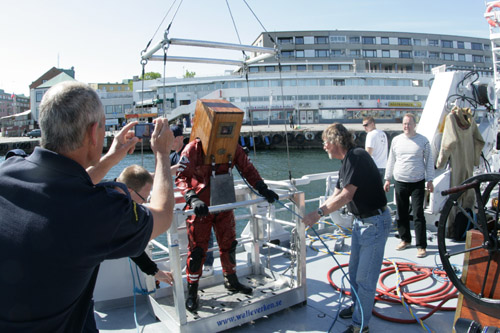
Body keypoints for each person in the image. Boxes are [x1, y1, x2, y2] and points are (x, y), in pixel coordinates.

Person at [0, 81, 175, 332]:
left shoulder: (9, 168)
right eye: (103, 127)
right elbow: (163, 215)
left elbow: (61, 185)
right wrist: (162, 154)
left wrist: (111, 158)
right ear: (93, 133)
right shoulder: (98, 211)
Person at [176, 101, 279, 312]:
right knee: (197, 251)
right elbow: (181, 176)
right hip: (202, 207)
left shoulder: (233, 147)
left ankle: (231, 280)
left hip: (223, 204)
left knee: (229, 244)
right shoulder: (193, 148)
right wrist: (192, 198)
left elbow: (248, 168)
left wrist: (263, 188)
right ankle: (193, 291)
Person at [302, 123, 391, 333]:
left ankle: (361, 326)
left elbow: (346, 195)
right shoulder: (346, 162)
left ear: (335, 142)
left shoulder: (356, 157)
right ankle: (358, 307)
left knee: (365, 277)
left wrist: (317, 215)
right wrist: (314, 214)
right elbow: (336, 193)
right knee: (353, 272)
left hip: (374, 223)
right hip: (362, 223)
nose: (324, 146)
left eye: (325, 142)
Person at [384, 113, 434, 258]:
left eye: (409, 124)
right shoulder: (396, 140)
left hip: (417, 182)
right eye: (404, 124)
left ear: (414, 125)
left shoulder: (423, 141)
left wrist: (430, 180)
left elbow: (429, 161)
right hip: (400, 181)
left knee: (418, 214)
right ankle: (405, 239)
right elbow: (391, 160)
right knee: (401, 212)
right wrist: (387, 179)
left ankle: (421, 245)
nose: (406, 126)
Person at [117, 164, 174, 286]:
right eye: (143, 197)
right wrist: (155, 271)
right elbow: (131, 244)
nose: (143, 202)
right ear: (129, 190)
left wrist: (154, 271)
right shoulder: (117, 212)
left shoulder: (109, 190)